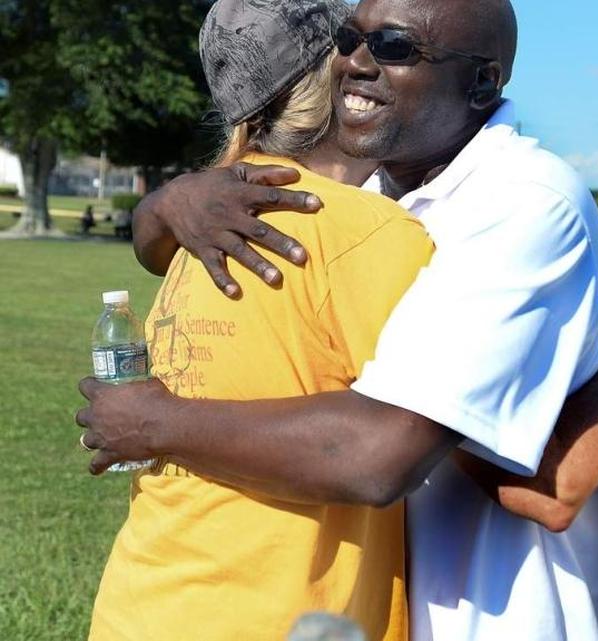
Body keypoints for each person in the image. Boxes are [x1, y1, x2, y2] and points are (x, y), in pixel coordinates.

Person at [77, 1, 598, 640]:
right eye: (348, 39)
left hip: (499, 613)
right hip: (359, 603)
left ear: (484, 81)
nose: (356, 62)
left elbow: (385, 455)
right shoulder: (361, 208)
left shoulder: (523, 204)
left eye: (396, 47)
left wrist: (154, 421)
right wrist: (168, 202)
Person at [86, 1, 428, 639]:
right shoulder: (371, 235)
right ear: (338, 73)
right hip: (275, 620)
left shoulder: (195, 226)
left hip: (141, 606)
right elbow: (398, 448)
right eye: (364, 45)